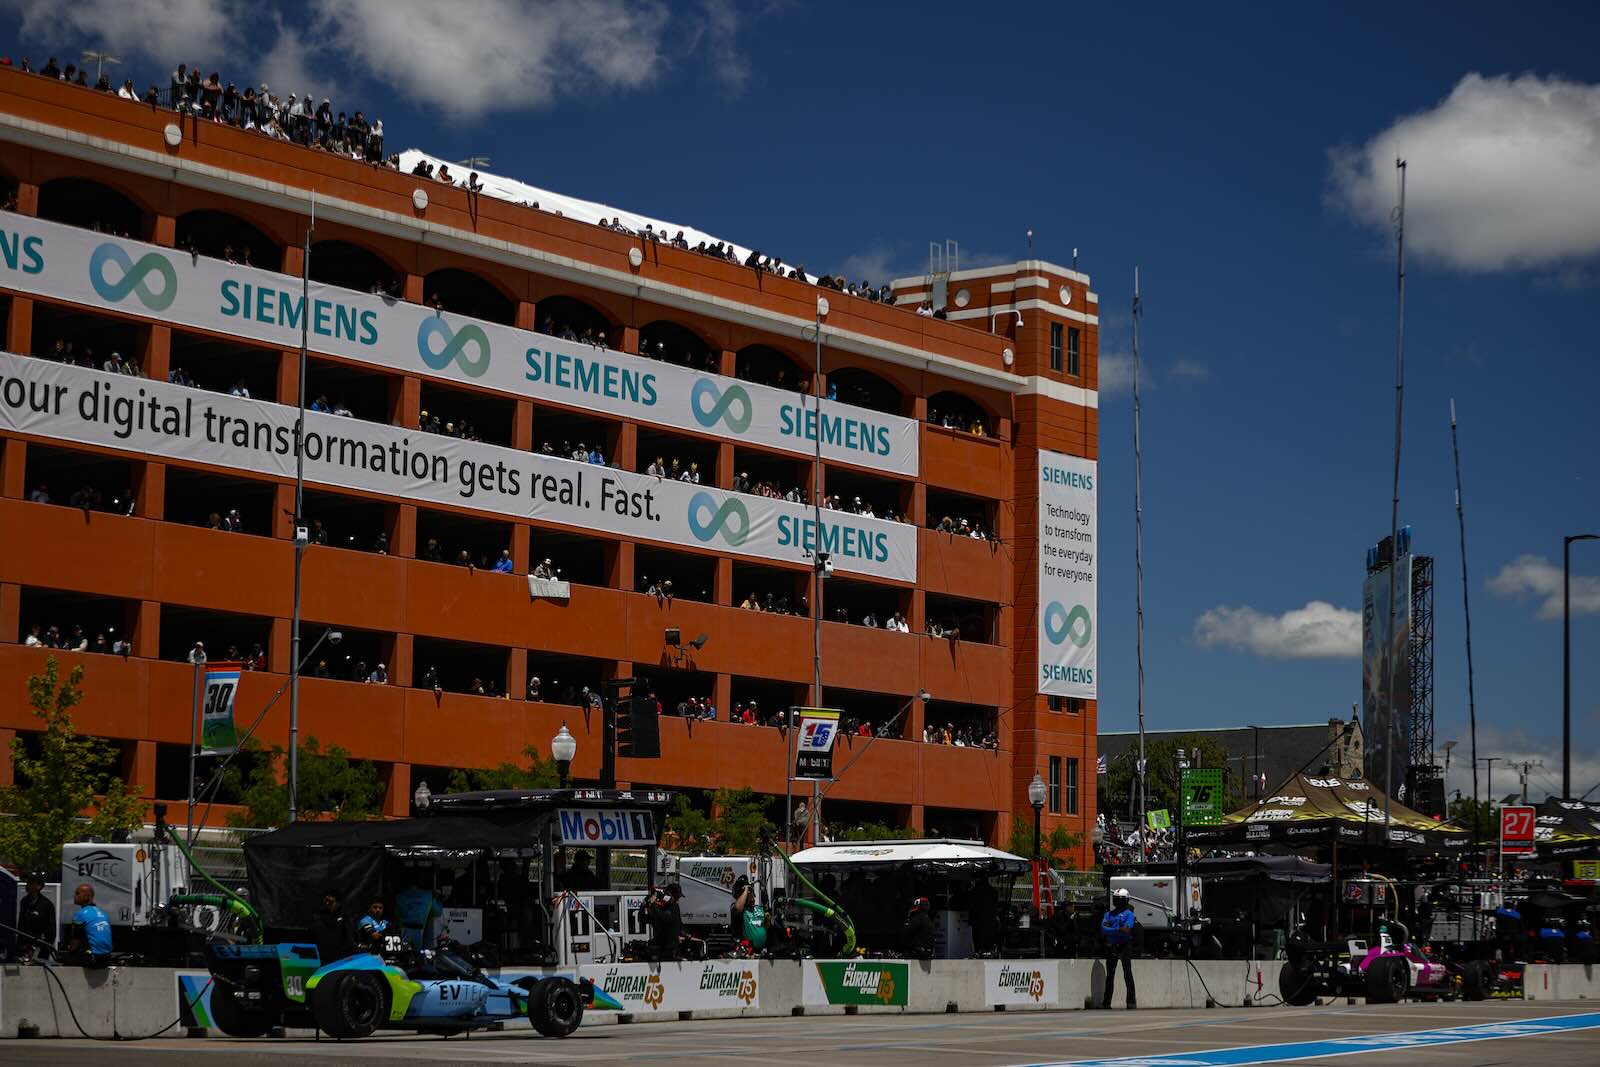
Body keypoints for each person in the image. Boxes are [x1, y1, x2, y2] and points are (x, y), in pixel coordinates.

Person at [1101, 887, 1137, 1008]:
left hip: (1124, 946)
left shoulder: (1129, 914)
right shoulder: (1108, 914)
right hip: (1111, 946)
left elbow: (1127, 930)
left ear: (1126, 900)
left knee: (1127, 973)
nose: (1116, 901)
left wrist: (1112, 930)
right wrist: (1117, 929)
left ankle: (1131, 1002)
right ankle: (1106, 1003)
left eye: (1119, 899)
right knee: (1110, 975)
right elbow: (1103, 929)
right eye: (1115, 899)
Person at [67, 883, 113, 962]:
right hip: (107, 957)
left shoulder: (80, 914)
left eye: (77, 893)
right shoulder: (103, 913)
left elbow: (75, 942)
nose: (74, 896)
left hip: (92, 958)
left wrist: (70, 949)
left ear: (86, 896)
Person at [394, 877, 444, 950]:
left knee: (404, 955)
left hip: (404, 931)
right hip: (419, 932)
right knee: (419, 956)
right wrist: (439, 901)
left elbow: (397, 917)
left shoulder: (399, 896)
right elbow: (438, 912)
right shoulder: (428, 895)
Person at [17, 872, 56, 961]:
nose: (27, 885)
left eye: (30, 882)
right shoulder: (24, 901)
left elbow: (51, 932)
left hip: (40, 951)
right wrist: (20, 946)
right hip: (24, 949)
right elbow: (21, 925)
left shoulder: (47, 905)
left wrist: (41, 949)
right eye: (27, 882)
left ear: (39, 886)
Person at [643, 883, 684, 961]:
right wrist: (650, 905)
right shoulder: (660, 906)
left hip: (671, 948)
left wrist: (684, 935)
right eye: (676, 897)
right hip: (664, 948)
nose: (678, 899)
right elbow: (648, 919)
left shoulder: (674, 906)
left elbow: (675, 922)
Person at [311, 889, 349, 964]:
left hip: (339, 955)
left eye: (331, 902)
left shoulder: (344, 915)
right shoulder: (318, 914)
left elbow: (348, 935)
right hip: (322, 954)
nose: (327, 903)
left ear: (338, 903)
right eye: (326, 900)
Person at [904, 896, 935, 960]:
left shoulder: (917, 919)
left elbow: (906, 935)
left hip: (918, 954)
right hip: (929, 953)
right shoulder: (929, 920)